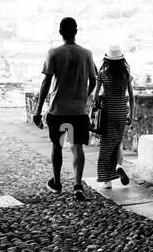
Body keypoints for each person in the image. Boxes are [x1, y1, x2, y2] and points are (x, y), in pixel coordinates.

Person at [32, 16, 97, 203]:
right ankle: (77, 185)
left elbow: (46, 83)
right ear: (76, 31)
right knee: (77, 147)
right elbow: (93, 80)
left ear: (60, 32)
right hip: (79, 110)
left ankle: (57, 182)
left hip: (58, 109)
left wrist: (37, 111)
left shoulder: (54, 53)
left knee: (57, 146)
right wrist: (84, 97)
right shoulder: (87, 54)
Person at [92, 45, 134, 188]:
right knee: (117, 142)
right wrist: (131, 114)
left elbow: (95, 97)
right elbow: (132, 97)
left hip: (108, 113)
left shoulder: (103, 74)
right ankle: (119, 166)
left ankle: (106, 180)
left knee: (105, 145)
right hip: (122, 112)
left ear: (107, 59)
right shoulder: (126, 75)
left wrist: (102, 96)